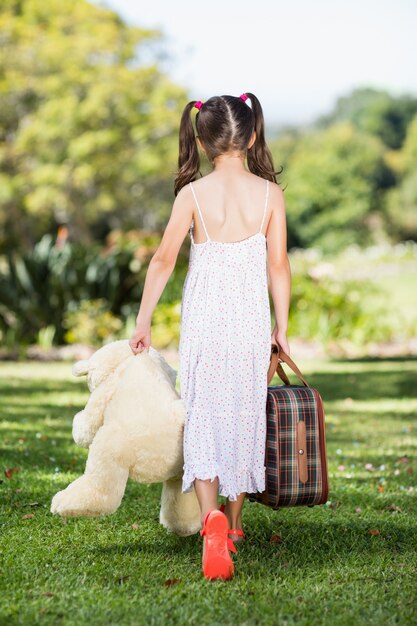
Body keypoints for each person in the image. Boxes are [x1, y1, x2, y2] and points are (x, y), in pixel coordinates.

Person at [129, 92, 291, 581]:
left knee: (203, 416)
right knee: (244, 414)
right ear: (253, 135)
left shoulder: (192, 195)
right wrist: (282, 328)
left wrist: (143, 320)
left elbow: (162, 261)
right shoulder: (270, 195)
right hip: (248, 323)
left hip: (204, 323)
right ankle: (236, 523)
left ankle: (210, 523)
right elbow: (278, 266)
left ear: (202, 142)